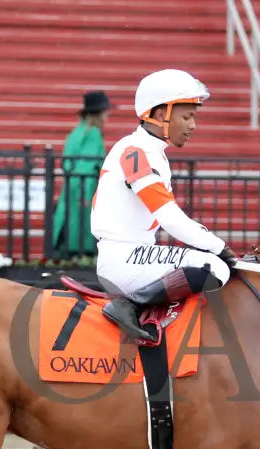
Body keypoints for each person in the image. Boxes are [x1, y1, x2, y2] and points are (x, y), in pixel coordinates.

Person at [90, 69, 237, 342]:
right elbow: (169, 218)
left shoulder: (148, 150)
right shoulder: (135, 152)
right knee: (214, 268)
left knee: (211, 262)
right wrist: (218, 246)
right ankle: (129, 305)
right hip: (124, 261)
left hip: (135, 254)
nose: (193, 125)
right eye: (187, 116)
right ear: (160, 115)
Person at [50, 90, 112, 259]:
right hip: (84, 189)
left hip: (72, 189)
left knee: (70, 226)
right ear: (98, 114)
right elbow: (88, 165)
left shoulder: (77, 132)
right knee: (81, 231)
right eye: (105, 111)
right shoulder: (92, 134)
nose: (108, 115)